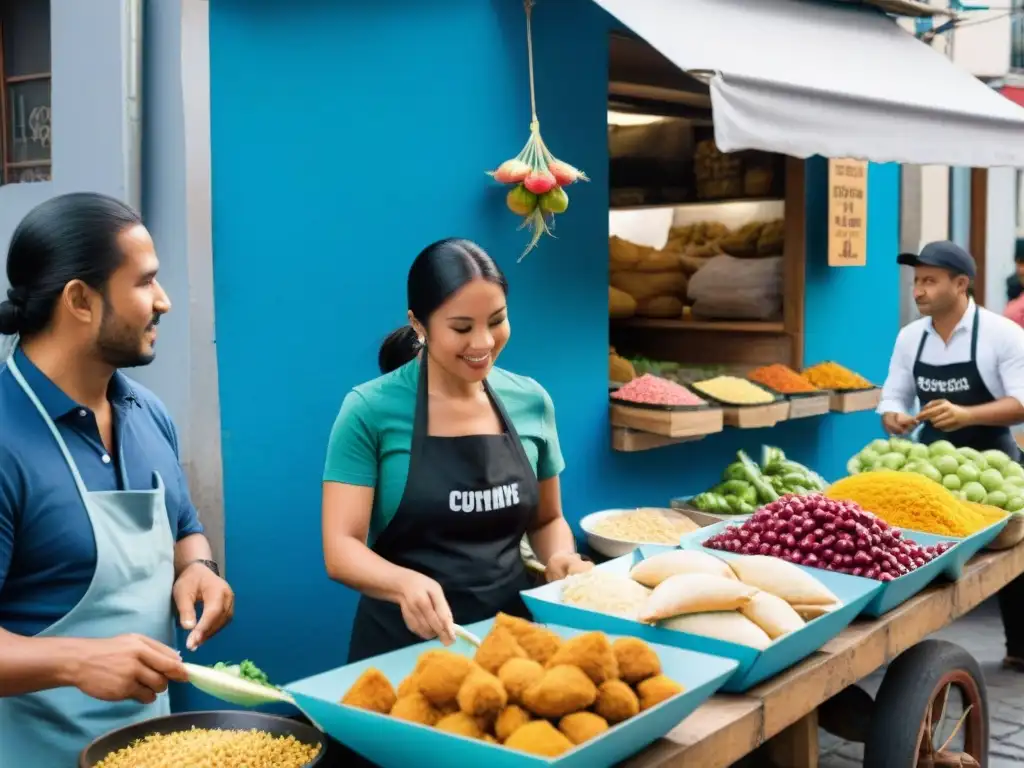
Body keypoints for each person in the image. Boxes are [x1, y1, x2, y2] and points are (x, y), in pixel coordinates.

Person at [0, 193, 235, 764]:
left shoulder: (147, 412)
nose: (165, 302)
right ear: (80, 299)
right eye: (145, 283)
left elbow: (184, 526)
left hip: (148, 750)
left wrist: (197, 568)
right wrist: (76, 661)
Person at [322, 238, 592, 663]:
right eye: (462, 328)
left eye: (497, 320)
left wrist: (560, 557)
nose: (483, 342)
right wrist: (403, 584)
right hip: (400, 651)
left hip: (509, 646)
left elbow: (548, 518)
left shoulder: (531, 401)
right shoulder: (369, 410)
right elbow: (341, 549)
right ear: (420, 324)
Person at [879, 239, 1024, 669]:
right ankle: (908, 653)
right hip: (933, 469)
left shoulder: (1002, 334)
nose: (918, 290)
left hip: (995, 466)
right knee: (919, 556)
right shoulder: (910, 338)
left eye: (929, 281)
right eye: (916, 281)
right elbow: (894, 396)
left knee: (1012, 566)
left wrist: (967, 414)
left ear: (961, 284)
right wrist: (894, 417)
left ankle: (1019, 649)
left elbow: (1022, 401)